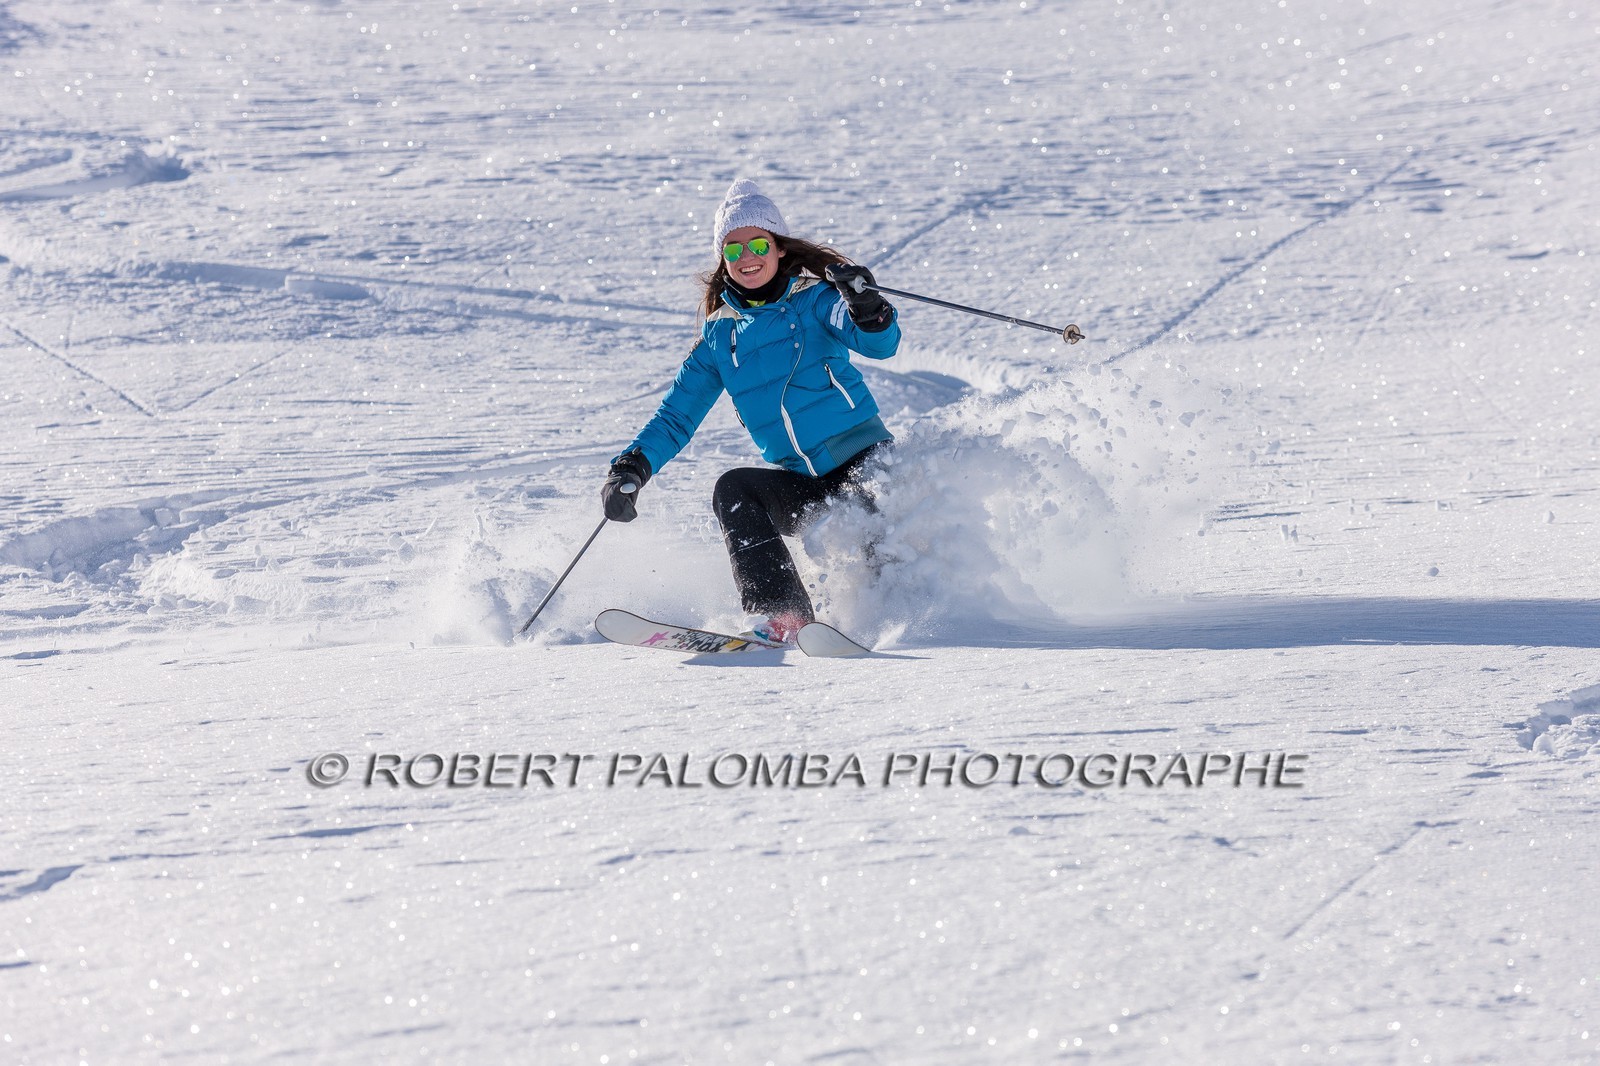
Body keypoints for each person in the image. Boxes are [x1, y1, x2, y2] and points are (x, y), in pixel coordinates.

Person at [599, 177, 901, 644]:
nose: (748, 257)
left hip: (866, 465)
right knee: (735, 490)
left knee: (883, 559)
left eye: (757, 243)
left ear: (779, 248)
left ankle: (913, 616)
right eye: (733, 250)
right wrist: (633, 465)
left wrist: (868, 308)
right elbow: (676, 417)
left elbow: (879, 344)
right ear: (723, 259)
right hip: (805, 484)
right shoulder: (720, 338)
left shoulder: (818, 300)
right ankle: (784, 617)